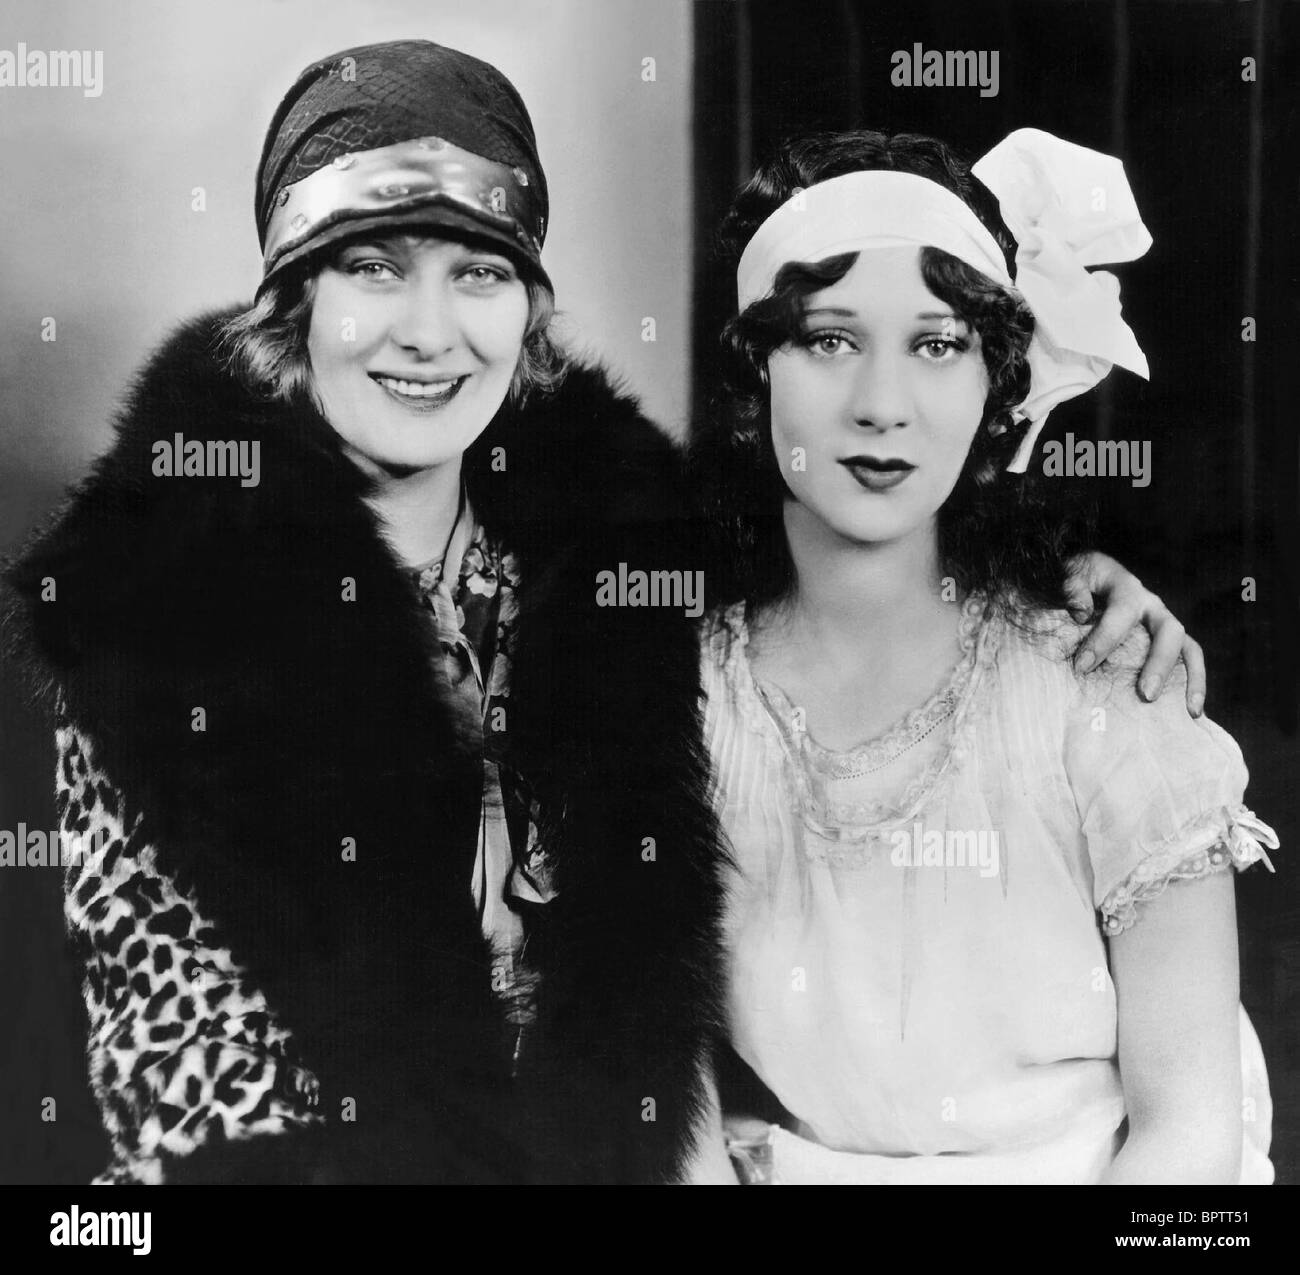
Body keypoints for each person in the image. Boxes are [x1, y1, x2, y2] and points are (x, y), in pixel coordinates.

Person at [1, 40, 1202, 1184]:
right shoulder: (162, 613)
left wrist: (1067, 583)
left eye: (477, 272)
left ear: (527, 309)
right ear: (291, 304)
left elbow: (862, 549)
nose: (429, 331)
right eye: (372, 268)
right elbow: (189, 1082)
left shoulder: (625, 560)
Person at [689, 128, 1277, 1184]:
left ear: (994, 385)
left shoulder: (1099, 679)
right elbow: (656, 1081)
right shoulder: (676, 695)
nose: (882, 403)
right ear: (752, 376)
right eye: (826, 340)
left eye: (936, 344)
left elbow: (1192, 1132)